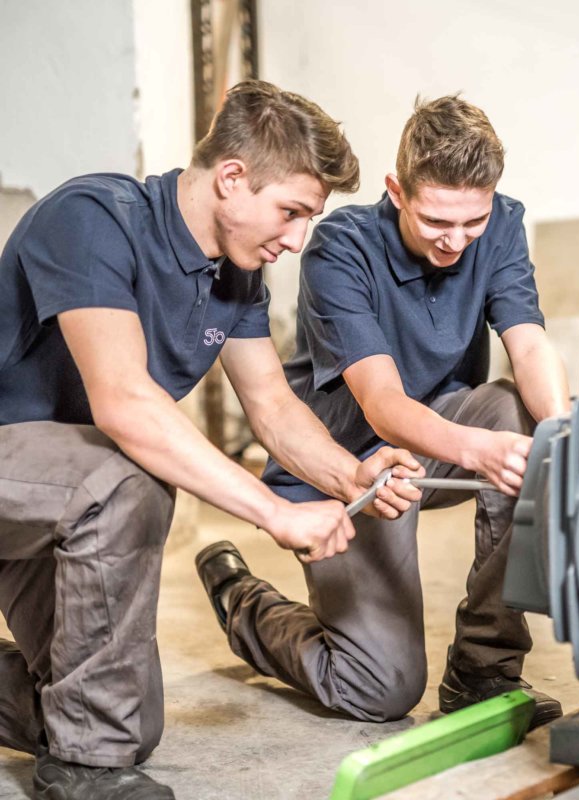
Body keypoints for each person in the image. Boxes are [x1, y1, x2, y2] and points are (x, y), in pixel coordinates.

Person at [0, 80, 422, 800]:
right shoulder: (93, 218)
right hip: (31, 474)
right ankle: (84, 776)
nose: (295, 240)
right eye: (290, 212)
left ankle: (90, 742)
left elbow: (273, 408)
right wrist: (273, 512)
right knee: (126, 479)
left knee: (125, 721)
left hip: (57, 504)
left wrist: (353, 477)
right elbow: (125, 404)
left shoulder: (237, 277)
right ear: (232, 177)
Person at [196, 95, 571, 727]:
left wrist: (562, 438)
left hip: (441, 441)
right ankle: (245, 605)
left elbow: (527, 341)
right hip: (351, 462)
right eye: (436, 221)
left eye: (472, 222)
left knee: (521, 417)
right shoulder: (339, 250)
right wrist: (481, 452)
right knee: (381, 690)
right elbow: (383, 405)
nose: (456, 241)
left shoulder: (501, 224)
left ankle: (485, 668)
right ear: (397, 191)